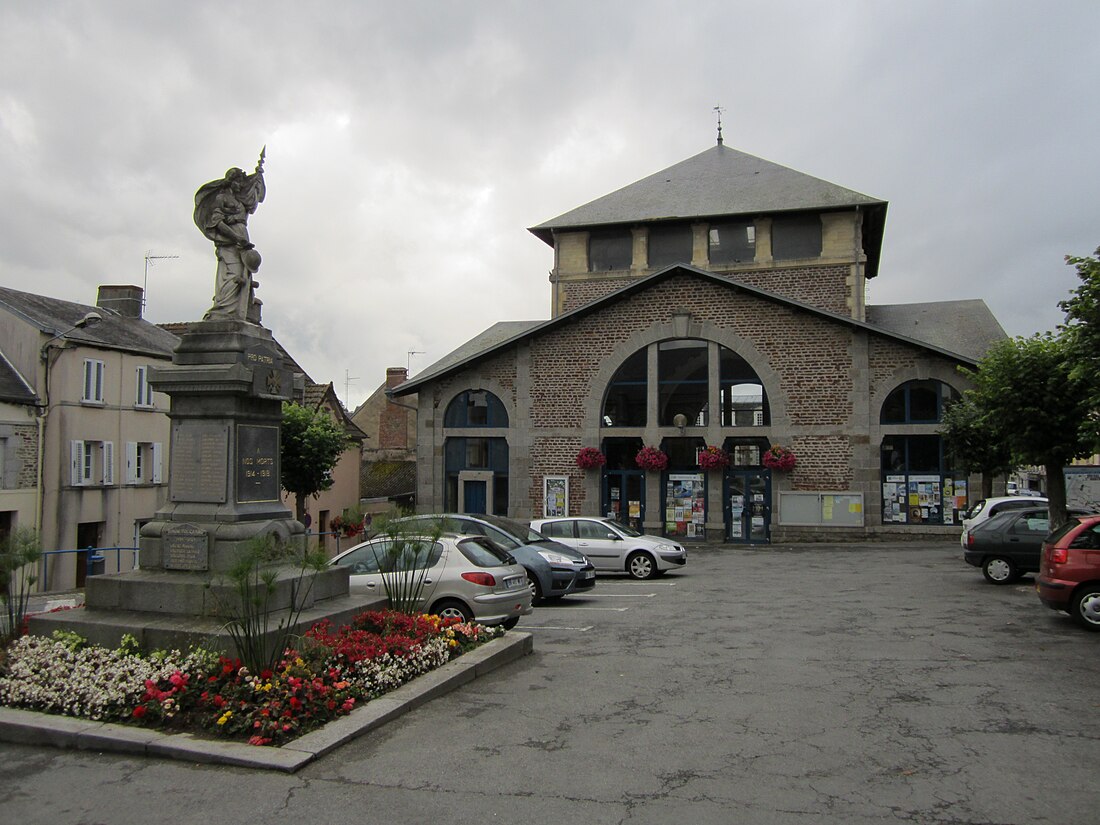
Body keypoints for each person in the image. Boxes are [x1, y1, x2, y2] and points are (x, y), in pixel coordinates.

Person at [193, 150, 266, 322]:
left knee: (244, 276)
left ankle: (240, 312)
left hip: (242, 239)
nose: (241, 186)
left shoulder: (239, 201)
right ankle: (224, 310)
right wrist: (235, 237)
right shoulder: (222, 198)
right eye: (239, 182)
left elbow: (252, 199)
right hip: (230, 242)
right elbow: (217, 223)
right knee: (232, 275)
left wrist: (258, 175)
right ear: (232, 181)